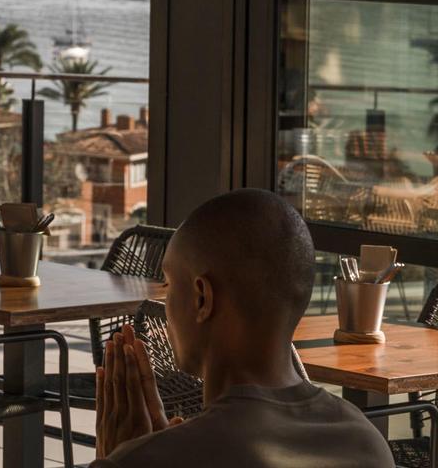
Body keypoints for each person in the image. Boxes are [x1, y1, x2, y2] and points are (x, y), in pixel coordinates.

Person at [92, 189, 394, 467]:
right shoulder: (367, 444)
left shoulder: (154, 459)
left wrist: (124, 458)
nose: (165, 300)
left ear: (202, 298)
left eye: (169, 285)